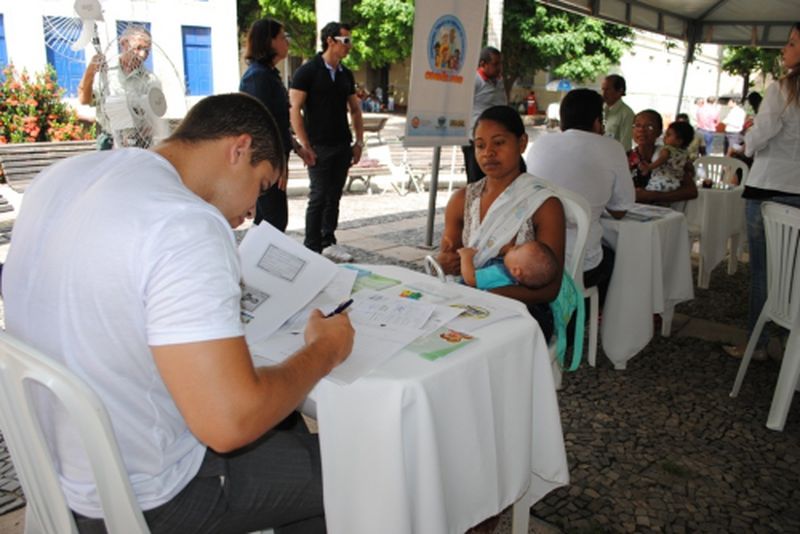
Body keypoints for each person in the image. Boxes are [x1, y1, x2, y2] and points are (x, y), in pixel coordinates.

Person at [2, 93, 354, 533]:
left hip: (62, 472)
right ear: (238, 150)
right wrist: (325, 350)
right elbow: (230, 422)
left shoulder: (65, 174)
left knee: (285, 423)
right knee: (362, 470)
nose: (250, 213)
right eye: (261, 187)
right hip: (149, 498)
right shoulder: (185, 223)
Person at [438, 105, 566, 340]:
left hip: (523, 308)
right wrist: (446, 262)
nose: (488, 153)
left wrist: (487, 295)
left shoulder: (543, 204)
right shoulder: (462, 200)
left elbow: (550, 288)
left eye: (498, 143)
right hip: (468, 300)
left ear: (522, 143)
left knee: (474, 344)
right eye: (480, 145)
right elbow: (449, 258)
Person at [723, 23, 800, 361]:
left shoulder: (782, 89)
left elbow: (760, 137)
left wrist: (748, 138)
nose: (785, 49)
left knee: (763, 272)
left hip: (769, 189)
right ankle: (784, 339)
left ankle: (758, 341)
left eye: (792, 43)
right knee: (794, 272)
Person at [526, 88, 634, 305]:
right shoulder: (612, 148)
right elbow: (620, 209)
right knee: (617, 259)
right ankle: (589, 315)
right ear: (597, 121)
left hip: (532, 256)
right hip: (581, 265)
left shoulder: (541, 143)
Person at [290, 21, 364, 262]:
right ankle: (311, 246)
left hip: (342, 143)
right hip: (319, 145)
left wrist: (359, 142)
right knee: (319, 195)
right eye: (345, 41)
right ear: (330, 41)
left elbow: (354, 109)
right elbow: (295, 109)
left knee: (334, 196)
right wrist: (306, 146)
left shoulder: (345, 74)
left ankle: (328, 240)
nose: (349, 46)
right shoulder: (308, 71)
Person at [240, 18, 314, 232]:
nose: (287, 42)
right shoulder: (257, 78)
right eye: (283, 37)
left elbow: (279, 122)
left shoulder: (269, 74)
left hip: (273, 160)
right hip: (266, 162)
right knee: (272, 222)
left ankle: (252, 263)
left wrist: (298, 148)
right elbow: (261, 126)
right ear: (269, 41)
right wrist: (277, 163)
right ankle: (255, 263)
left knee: (269, 221)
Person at [78, 25, 156, 149]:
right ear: (123, 44)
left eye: (147, 50)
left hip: (139, 143)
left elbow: (155, 116)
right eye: (138, 48)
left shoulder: (150, 79)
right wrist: (90, 71)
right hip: (109, 141)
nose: (142, 54)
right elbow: (84, 99)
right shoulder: (105, 71)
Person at [628, 109, 698, 205]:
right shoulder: (626, 157)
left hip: (661, 213)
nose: (641, 130)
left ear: (660, 132)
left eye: (649, 127)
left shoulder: (672, 156)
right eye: (637, 126)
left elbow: (691, 191)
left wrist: (652, 195)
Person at [461, 47, 508, 183]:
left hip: (496, 139)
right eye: (495, 64)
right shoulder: (474, 81)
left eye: (500, 64)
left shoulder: (498, 80)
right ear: (483, 64)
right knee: (476, 183)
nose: (499, 68)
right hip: (475, 141)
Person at [458, 240, 559, 290]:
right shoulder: (513, 280)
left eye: (516, 248)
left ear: (515, 271)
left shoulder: (500, 273)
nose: (512, 247)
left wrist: (466, 256)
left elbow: (471, 279)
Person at [641, 120, 695, 192]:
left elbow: (662, 159)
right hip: (675, 183)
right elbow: (689, 166)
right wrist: (692, 173)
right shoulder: (685, 153)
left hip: (660, 180)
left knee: (648, 195)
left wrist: (649, 167)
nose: (664, 137)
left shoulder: (667, 149)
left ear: (679, 141)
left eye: (668, 135)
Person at [601, 74, 635, 150]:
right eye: (603, 89)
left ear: (620, 91)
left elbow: (625, 145)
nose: (603, 93)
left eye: (608, 90)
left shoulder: (627, 113)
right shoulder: (600, 109)